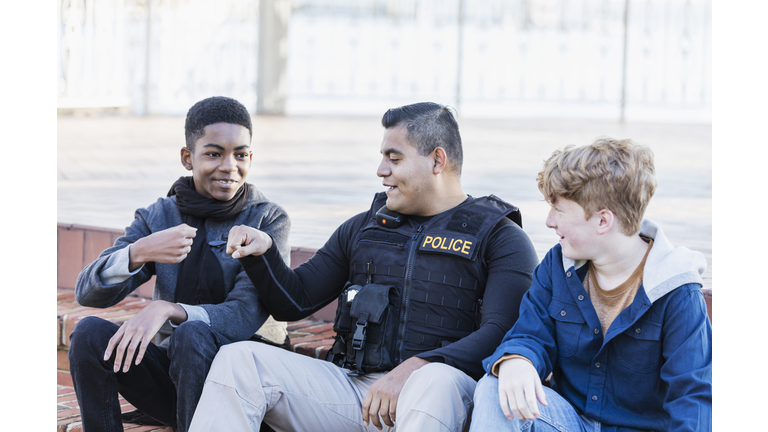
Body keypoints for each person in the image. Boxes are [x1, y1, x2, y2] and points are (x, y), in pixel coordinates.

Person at [188, 102, 539, 432]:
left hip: (443, 397)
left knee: (436, 380)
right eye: (382, 157)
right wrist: (261, 253)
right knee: (240, 360)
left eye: (394, 158)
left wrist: (418, 367)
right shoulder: (363, 228)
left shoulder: (501, 238)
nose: (381, 170)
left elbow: (504, 331)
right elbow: (294, 301)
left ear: (437, 161)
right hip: (358, 393)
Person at [67, 96, 292, 432]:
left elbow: (245, 315)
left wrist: (170, 309)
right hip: (178, 379)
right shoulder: (160, 216)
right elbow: (87, 292)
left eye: (240, 154)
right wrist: (139, 252)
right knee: (88, 333)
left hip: (245, 386)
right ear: (188, 158)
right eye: (214, 154)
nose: (230, 166)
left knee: (191, 335)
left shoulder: (267, 219)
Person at [469, 138, 712, 432]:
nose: (548, 221)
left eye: (559, 210)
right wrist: (517, 358)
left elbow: (693, 398)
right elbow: (530, 334)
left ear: (602, 221)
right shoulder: (557, 266)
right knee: (495, 387)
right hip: (567, 421)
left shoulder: (677, 293)